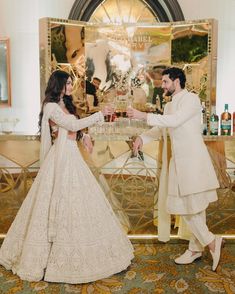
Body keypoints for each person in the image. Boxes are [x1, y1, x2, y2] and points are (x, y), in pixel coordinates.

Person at [0, 70, 134, 283]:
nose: (71, 86)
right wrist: (99, 116)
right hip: (61, 160)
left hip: (72, 155)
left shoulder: (65, 104)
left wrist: (84, 135)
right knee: (58, 200)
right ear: (58, 84)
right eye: (68, 83)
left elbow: (73, 129)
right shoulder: (51, 106)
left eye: (72, 83)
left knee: (80, 201)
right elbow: (70, 125)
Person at [127, 67, 223, 271]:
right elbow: (162, 127)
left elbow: (176, 121)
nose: (162, 86)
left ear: (177, 81)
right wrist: (142, 139)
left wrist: (143, 116)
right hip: (179, 162)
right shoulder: (170, 105)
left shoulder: (191, 99)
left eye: (165, 82)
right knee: (186, 205)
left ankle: (210, 242)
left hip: (193, 161)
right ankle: (197, 247)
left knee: (192, 206)